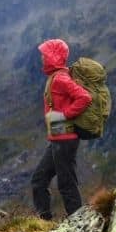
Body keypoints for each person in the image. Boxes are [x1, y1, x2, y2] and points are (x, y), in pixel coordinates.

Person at [31, 39, 92, 220]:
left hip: (64, 140)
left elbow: (84, 97)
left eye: (45, 55)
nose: (42, 58)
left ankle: (77, 223)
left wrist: (65, 114)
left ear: (53, 57)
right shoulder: (56, 77)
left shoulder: (61, 79)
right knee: (39, 180)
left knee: (66, 183)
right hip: (58, 138)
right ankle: (45, 222)